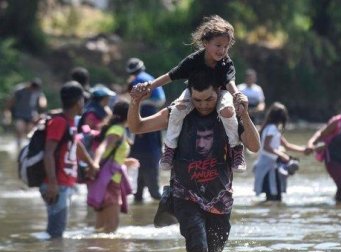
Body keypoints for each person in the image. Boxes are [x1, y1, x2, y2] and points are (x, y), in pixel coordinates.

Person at [128, 71, 260, 252]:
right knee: (198, 247)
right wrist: (135, 101)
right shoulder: (176, 114)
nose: (204, 104)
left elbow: (254, 145)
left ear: (218, 92)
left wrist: (244, 113)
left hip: (220, 199)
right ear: (190, 94)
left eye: (209, 99)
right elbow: (137, 127)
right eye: (197, 100)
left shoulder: (228, 115)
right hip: (185, 196)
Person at [133, 15, 247, 173]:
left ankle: (236, 149)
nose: (222, 50)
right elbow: (170, 76)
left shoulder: (225, 63)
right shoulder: (193, 60)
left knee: (227, 110)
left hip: (220, 93)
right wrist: (149, 86)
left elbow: (230, 83)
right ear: (206, 43)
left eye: (226, 46)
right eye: (218, 45)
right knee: (177, 110)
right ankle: (170, 149)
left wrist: (237, 96)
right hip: (193, 91)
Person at [40, 81, 97, 239]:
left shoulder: (69, 121)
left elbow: (76, 144)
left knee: (57, 231)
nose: (84, 104)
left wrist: (91, 164)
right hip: (56, 184)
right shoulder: (59, 122)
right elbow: (48, 152)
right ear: (78, 101)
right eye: (83, 100)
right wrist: (52, 183)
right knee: (56, 234)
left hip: (63, 183)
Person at [88, 101, 139, 233]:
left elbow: (111, 155)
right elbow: (103, 147)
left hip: (106, 179)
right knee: (112, 225)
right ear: (128, 115)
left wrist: (125, 161)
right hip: (110, 181)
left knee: (101, 226)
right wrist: (95, 163)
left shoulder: (119, 130)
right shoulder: (117, 130)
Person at [254, 102, 312, 201]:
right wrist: (281, 155)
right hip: (268, 166)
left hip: (273, 165)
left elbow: (287, 146)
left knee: (276, 195)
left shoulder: (274, 129)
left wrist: (303, 150)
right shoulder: (272, 128)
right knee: (273, 196)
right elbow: (266, 147)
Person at [126, 57, 165, 202]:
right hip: (150, 150)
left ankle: (165, 211)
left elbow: (138, 129)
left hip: (147, 151)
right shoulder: (150, 78)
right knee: (139, 193)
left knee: (154, 192)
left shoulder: (144, 109)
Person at [4, 78, 47, 149]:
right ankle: (18, 146)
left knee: (30, 131)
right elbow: (11, 101)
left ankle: (28, 147)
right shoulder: (19, 90)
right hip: (20, 114)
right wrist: (7, 112)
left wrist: (42, 103)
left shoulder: (37, 91)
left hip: (31, 115)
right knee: (20, 128)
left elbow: (42, 101)